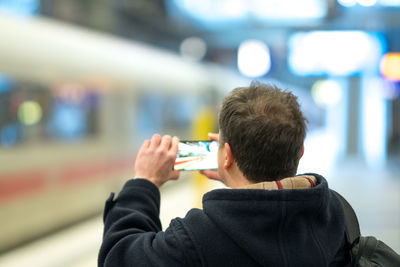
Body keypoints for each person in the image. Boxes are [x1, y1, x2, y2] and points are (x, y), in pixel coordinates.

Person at [98, 82, 349, 266]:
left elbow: (117, 257)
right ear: (301, 151)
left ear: (226, 155)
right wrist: (235, 174)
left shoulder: (196, 238)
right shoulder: (333, 214)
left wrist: (144, 183)